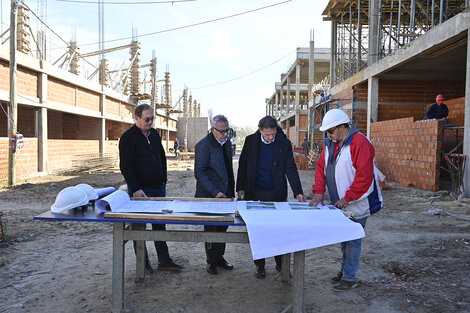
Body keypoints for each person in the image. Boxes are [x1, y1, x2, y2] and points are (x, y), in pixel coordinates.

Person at [308, 108, 383, 291]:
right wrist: (319, 191)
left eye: (331, 130)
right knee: (345, 238)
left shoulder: (360, 143)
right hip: (340, 203)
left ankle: (349, 277)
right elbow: (321, 168)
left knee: (353, 239)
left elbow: (364, 178)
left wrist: (348, 198)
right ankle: (344, 271)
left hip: (358, 203)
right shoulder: (330, 144)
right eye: (327, 131)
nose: (329, 134)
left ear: (343, 126)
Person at [237, 115, 306, 278]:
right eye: (267, 135)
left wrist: (298, 191)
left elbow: (290, 168)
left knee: (278, 230)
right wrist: (240, 187)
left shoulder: (283, 143)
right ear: (260, 130)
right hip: (254, 192)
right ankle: (259, 265)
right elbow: (243, 164)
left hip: (276, 192)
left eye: (272, 134)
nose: (270, 138)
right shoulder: (250, 141)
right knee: (257, 230)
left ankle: (280, 264)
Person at [119, 103, 182, 273]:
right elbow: (126, 167)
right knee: (139, 227)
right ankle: (143, 263)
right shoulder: (128, 138)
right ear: (137, 118)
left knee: (160, 225)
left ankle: (164, 260)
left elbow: (161, 157)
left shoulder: (153, 134)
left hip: (158, 188)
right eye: (147, 119)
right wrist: (136, 188)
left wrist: (164, 179)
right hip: (141, 191)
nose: (150, 122)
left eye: (152, 118)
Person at [194, 115, 235, 275]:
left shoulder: (226, 144)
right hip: (210, 195)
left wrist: (231, 189)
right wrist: (214, 192)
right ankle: (211, 261)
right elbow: (200, 172)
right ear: (212, 130)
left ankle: (219, 258)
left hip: (226, 194)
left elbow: (228, 169)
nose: (225, 134)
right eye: (222, 131)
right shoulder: (203, 145)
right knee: (211, 228)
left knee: (223, 228)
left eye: (227, 131)